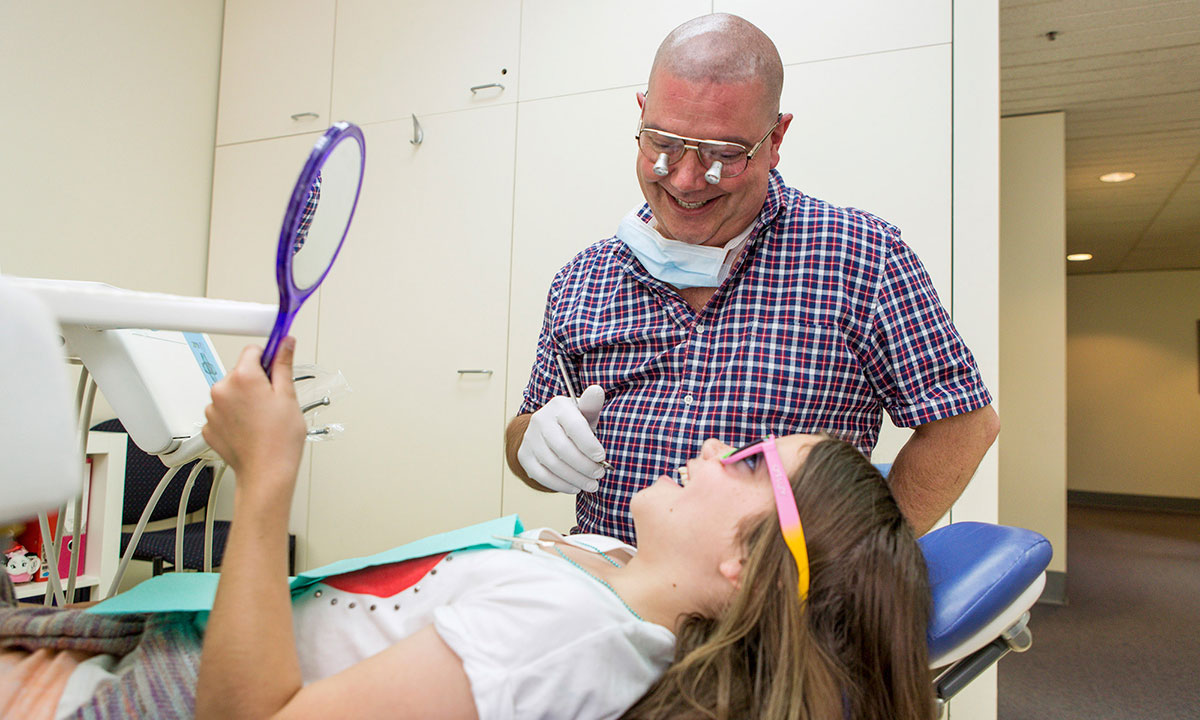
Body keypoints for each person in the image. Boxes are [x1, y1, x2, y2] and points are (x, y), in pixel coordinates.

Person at [1, 339, 933, 720]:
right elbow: (524, 439)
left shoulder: (561, 636)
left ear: (742, 561)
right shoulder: (603, 570)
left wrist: (266, 477)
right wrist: (532, 436)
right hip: (177, 640)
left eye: (747, 463)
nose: (715, 441)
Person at [506, 13, 999, 544]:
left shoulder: (862, 260)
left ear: (776, 138)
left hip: (777, 611)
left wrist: (865, 561)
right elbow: (525, 433)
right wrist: (531, 445)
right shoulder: (584, 279)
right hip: (614, 595)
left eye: (723, 154)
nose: (688, 179)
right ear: (642, 115)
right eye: (663, 143)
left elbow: (963, 424)